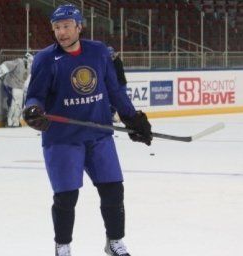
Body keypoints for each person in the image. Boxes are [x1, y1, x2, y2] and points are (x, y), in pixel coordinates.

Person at [22, 4, 152, 256]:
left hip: (99, 135)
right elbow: (35, 96)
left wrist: (132, 117)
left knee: (114, 190)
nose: (62, 32)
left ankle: (114, 241)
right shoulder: (45, 59)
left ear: (79, 26)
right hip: (62, 138)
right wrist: (33, 111)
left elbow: (114, 90)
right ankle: (63, 247)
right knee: (66, 197)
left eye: (67, 26)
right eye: (57, 28)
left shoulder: (99, 52)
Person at [0, 52, 33, 127]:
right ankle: (9, 121)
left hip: (20, 87)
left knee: (19, 105)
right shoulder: (19, 62)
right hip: (11, 85)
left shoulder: (29, 67)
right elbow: (8, 64)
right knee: (13, 103)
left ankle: (16, 121)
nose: (30, 62)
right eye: (30, 61)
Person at [107, 46, 128, 123]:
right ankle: (111, 115)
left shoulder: (117, 62)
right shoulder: (110, 62)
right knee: (112, 101)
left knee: (120, 102)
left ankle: (124, 117)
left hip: (120, 85)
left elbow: (115, 75)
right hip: (116, 85)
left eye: (111, 55)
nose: (110, 57)